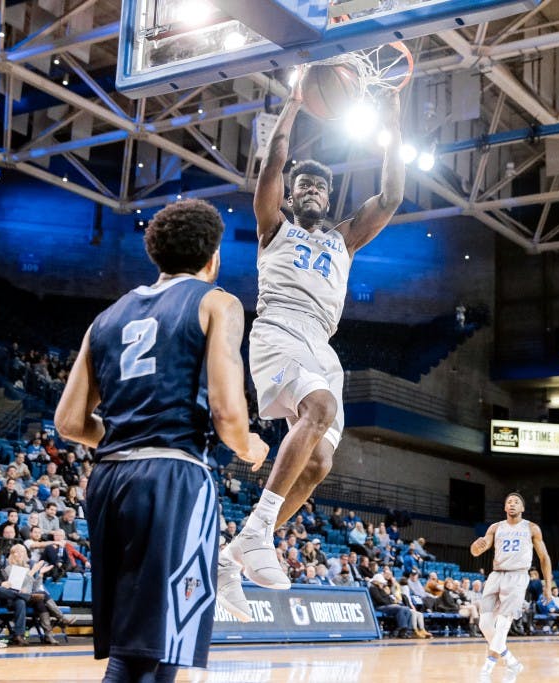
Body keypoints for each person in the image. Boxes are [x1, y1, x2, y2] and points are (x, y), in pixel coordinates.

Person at [53, 198, 269, 680]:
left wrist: (129, 430)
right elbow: (226, 410)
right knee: (153, 647)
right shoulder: (218, 302)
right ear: (213, 257)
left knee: (141, 643)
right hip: (172, 477)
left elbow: (68, 421)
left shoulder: (106, 318)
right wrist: (248, 443)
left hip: (108, 479)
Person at [219, 66, 404, 604]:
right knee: (318, 409)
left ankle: (233, 557)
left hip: (322, 342)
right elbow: (274, 160)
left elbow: (391, 195)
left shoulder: (345, 240)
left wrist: (391, 118)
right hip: (279, 327)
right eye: (304, 185)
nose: (312, 190)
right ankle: (258, 531)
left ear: (329, 195)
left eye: (320, 185)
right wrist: (296, 103)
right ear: (293, 196)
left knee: (319, 464)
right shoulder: (273, 227)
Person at [471, 492, 553, 683]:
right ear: (505, 508)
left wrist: (547, 585)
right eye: (509, 502)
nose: (512, 504)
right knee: (484, 624)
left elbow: (544, 557)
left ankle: (488, 666)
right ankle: (511, 660)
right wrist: (475, 547)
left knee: (503, 623)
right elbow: (478, 550)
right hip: (496, 574)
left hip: (517, 576)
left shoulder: (531, 528)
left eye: (516, 502)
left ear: (522, 508)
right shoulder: (495, 527)